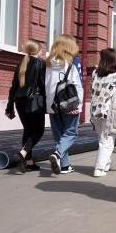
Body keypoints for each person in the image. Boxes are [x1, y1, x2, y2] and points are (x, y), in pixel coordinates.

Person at [5, 40, 46, 173]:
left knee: (28, 130)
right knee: (38, 131)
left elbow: (13, 87)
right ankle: (22, 154)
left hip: (19, 101)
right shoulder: (41, 64)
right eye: (42, 50)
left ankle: (28, 163)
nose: (43, 52)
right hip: (34, 101)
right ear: (38, 51)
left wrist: (9, 106)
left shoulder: (21, 64)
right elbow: (44, 84)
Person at [45, 34, 83, 174]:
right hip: (68, 103)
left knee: (60, 135)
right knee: (71, 133)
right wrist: (78, 106)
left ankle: (65, 166)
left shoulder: (48, 64)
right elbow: (77, 86)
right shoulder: (71, 64)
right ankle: (57, 154)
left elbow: (46, 85)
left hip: (52, 105)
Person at [90, 48, 116, 177]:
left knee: (102, 138)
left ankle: (106, 165)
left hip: (95, 110)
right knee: (107, 140)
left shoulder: (95, 73)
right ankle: (99, 168)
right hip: (108, 111)